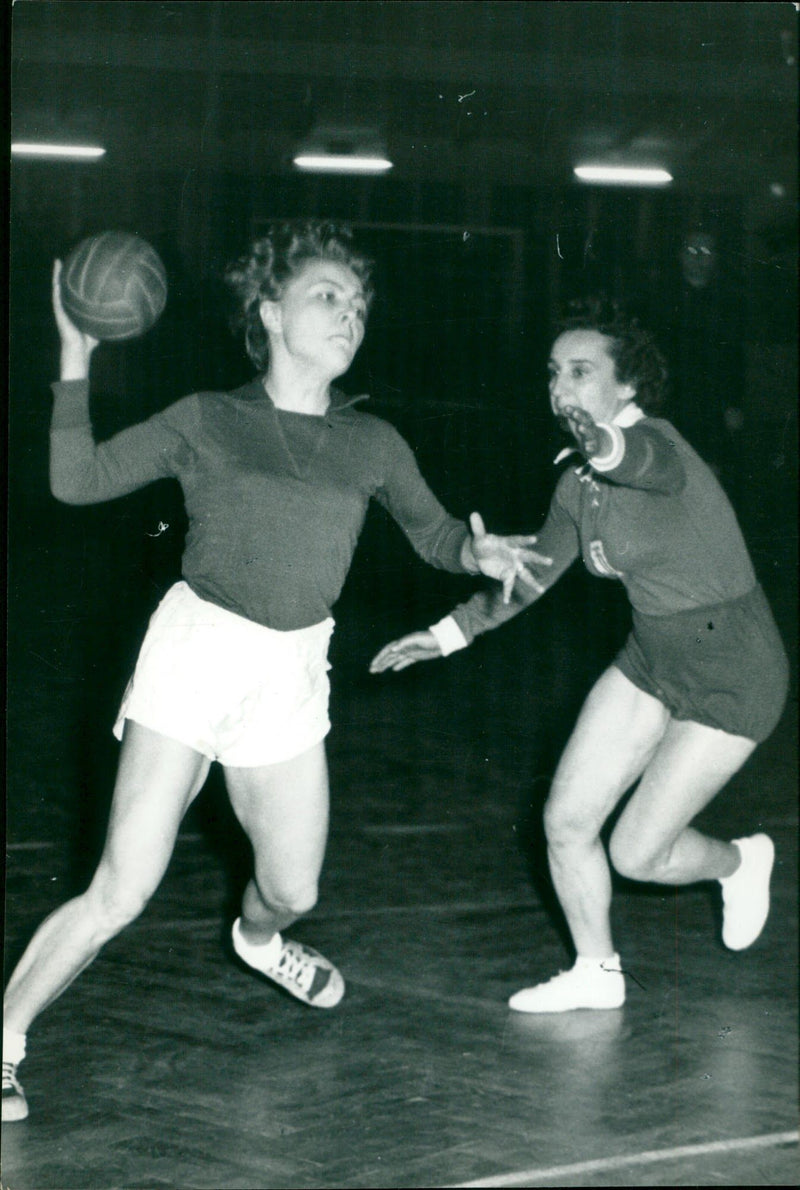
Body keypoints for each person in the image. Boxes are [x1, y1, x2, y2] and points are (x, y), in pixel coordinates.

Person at [2, 220, 548, 1122]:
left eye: (359, 304)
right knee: (123, 887)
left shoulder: (373, 440)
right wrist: (73, 360)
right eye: (328, 296)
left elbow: (437, 534)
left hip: (292, 669)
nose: (349, 315)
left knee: (294, 889)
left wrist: (476, 555)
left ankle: (259, 941)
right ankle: (8, 1037)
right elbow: (77, 480)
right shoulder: (207, 419)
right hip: (197, 653)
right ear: (269, 311)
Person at [371, 297, 789, 1014]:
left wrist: (607, 444)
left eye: (582, 371)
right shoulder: (577, 485)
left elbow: (639, 458)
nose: (561, 388)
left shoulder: (661, 449)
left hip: (733, 672)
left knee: (637, 855)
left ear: (626, 388)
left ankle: (741, 861)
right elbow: (529, 577)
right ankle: (597, 971)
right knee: (565, 822)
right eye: (554, 373)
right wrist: (446, 634)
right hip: (652, 660)